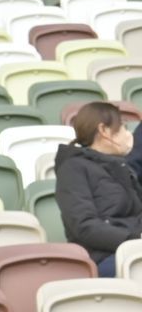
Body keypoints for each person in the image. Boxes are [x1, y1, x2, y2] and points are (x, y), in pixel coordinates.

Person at [54, 102, 142, 277]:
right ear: (104, 130)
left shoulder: (122, 167)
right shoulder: (73, 169)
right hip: (104, 257)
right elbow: (84, 226)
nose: (127, 135)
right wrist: (133, 239)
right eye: (122, 128)